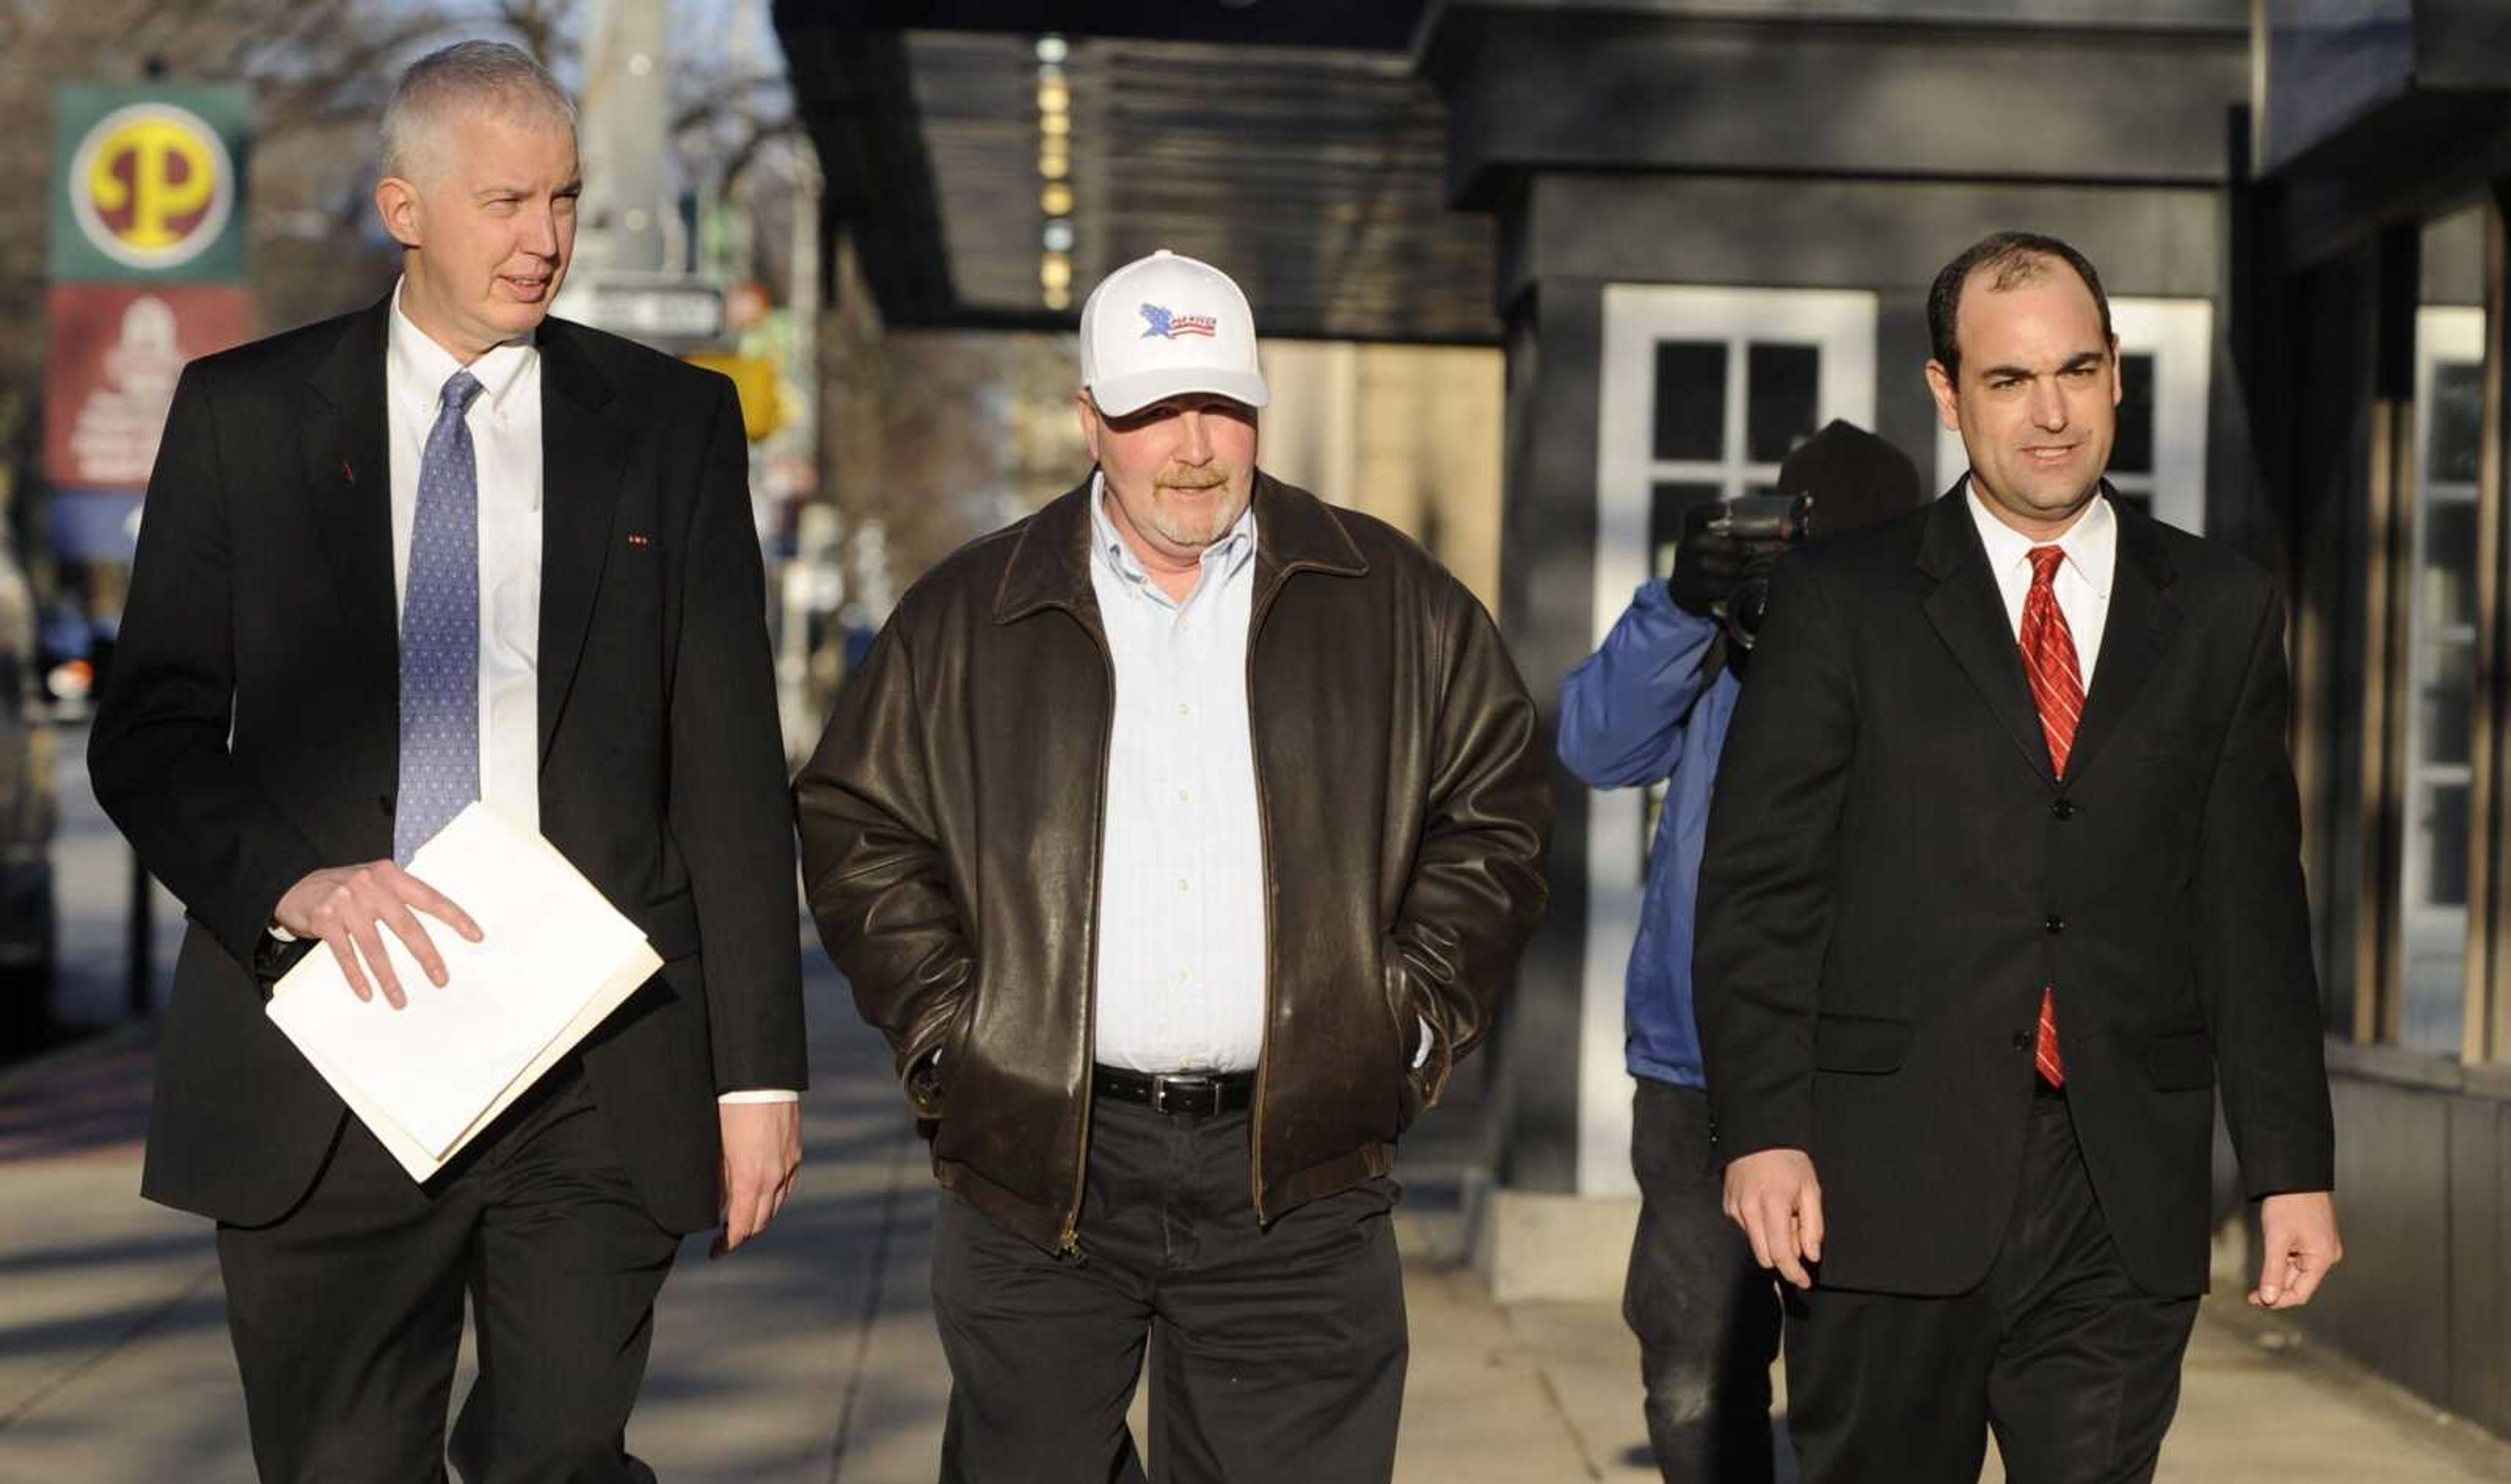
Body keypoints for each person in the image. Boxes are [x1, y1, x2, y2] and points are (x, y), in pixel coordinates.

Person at [88, 41, 805, 1484]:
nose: (544, 241)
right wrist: (295, 883)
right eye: (504, 202)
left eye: (563, 200)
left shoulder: (669, 426)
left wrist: (760, 1081)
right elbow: (151, 729)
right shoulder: (246, 418)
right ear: (404, 207)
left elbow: (727, 760)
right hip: (333, 1049)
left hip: (593, 1053)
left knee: (560, 1452)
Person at [794, 248, 1552, 1483]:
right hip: (1042, 1176)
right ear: (1092, 421)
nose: (1194, 447)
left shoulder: (1393, 601)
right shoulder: (968, 614)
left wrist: (1403, 1022)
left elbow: (1500, 812)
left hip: (1299, 1179)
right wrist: (952, 1033)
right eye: (1154, 413)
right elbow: (854, 822)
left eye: (1221, 407)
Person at [1694, 229, 2341, 1484]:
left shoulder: (2218, 608)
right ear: (1947, 392)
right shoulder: (1843, 600)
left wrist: (2290, 1169)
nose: (2051, 415)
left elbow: (2253, 909)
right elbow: (1763, 889)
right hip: (1881, 1182)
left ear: (2116, 379)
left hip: (2123, 1187)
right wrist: (1762, 1129)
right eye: (2008, 381)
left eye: (2079, 372)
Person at [1559, 420, 1919, 1482]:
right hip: (1696, 1070)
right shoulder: (1716, 637)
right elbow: (1594, 742)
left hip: (1870, 1071)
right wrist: (1680, 603)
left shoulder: (1933, 642)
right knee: (1694, 1363)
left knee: (1860, 1371)